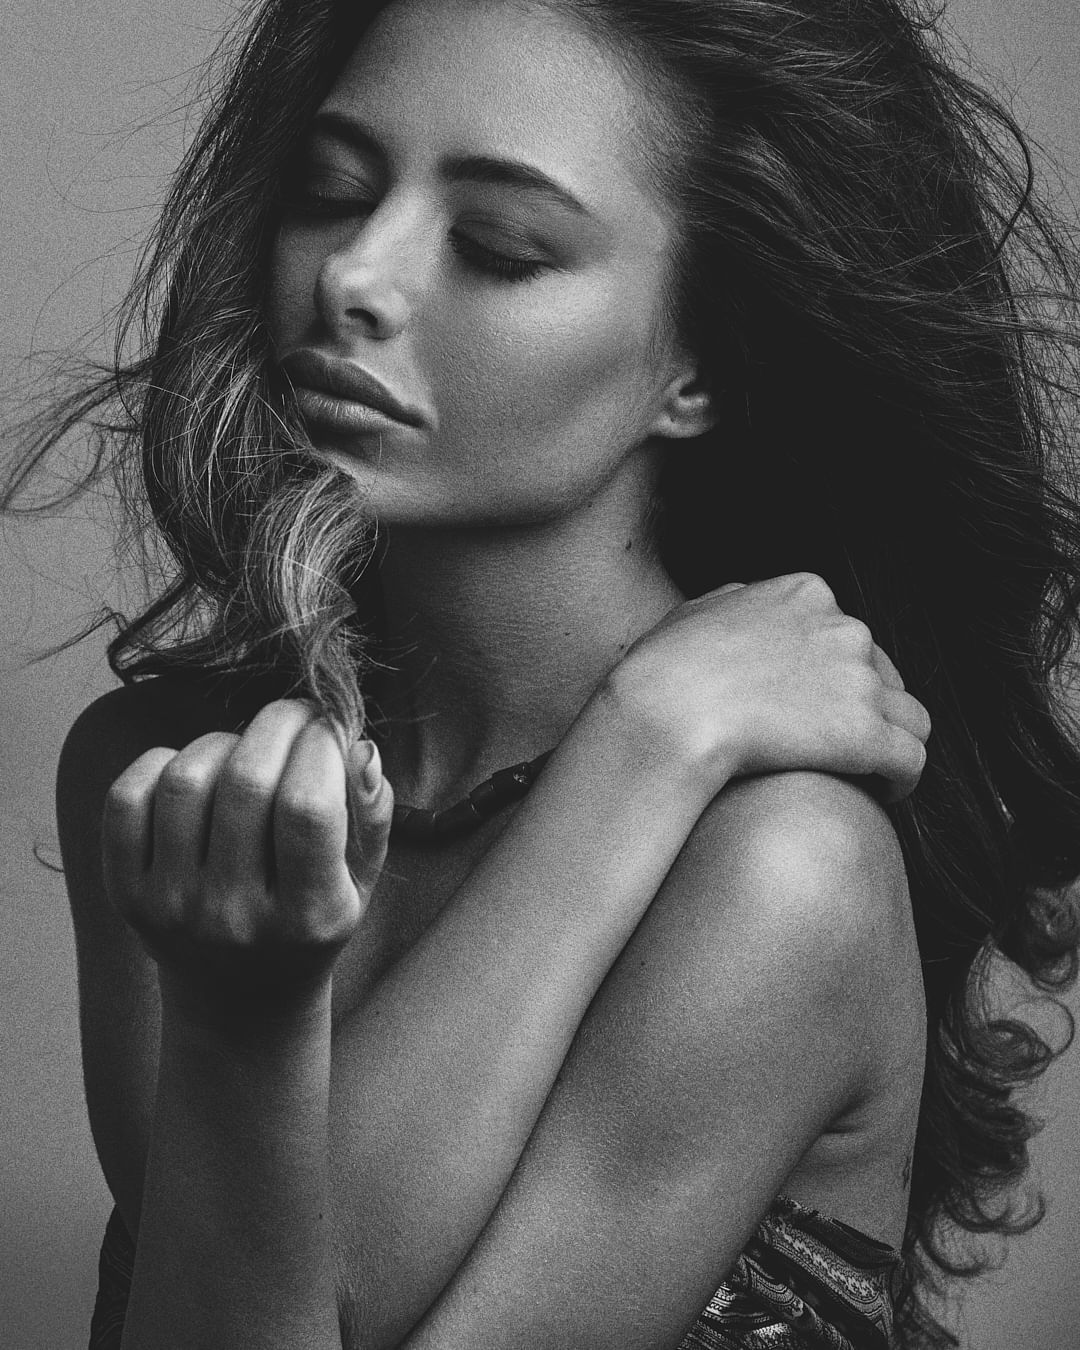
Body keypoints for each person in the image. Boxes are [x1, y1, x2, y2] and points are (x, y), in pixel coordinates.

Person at [6, 0, 1080, 1346]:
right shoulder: (164, 777)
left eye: (501, 248)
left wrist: (644, 740)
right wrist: (652, 739)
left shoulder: (781, 869)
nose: (356, 275)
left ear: (697, 358)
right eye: (331, 190)